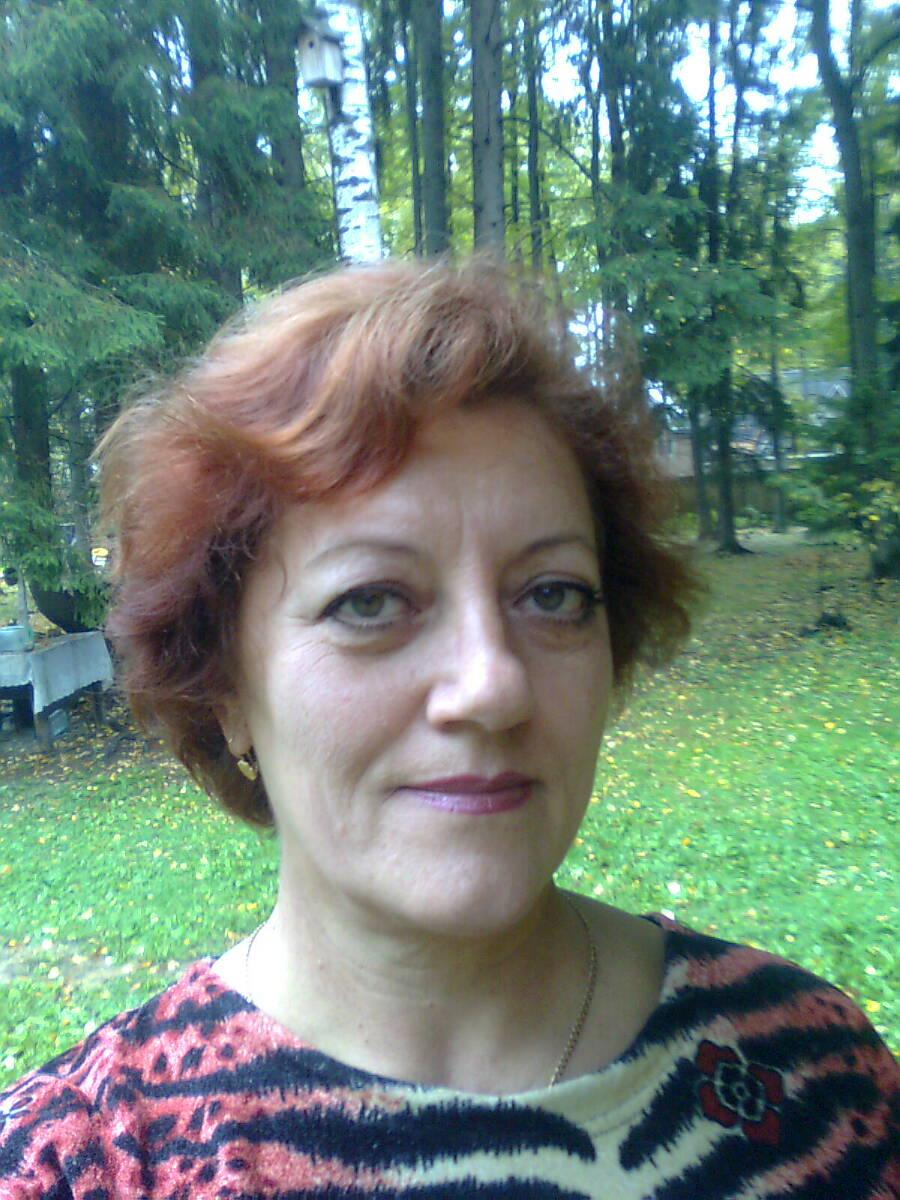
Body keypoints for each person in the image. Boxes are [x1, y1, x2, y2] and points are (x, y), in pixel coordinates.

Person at [0, 259, 896, 1199]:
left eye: (553, 595)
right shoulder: (79, 1164)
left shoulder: (817, 1081)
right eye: (371, 601)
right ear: (226, 688)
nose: (492, 686)